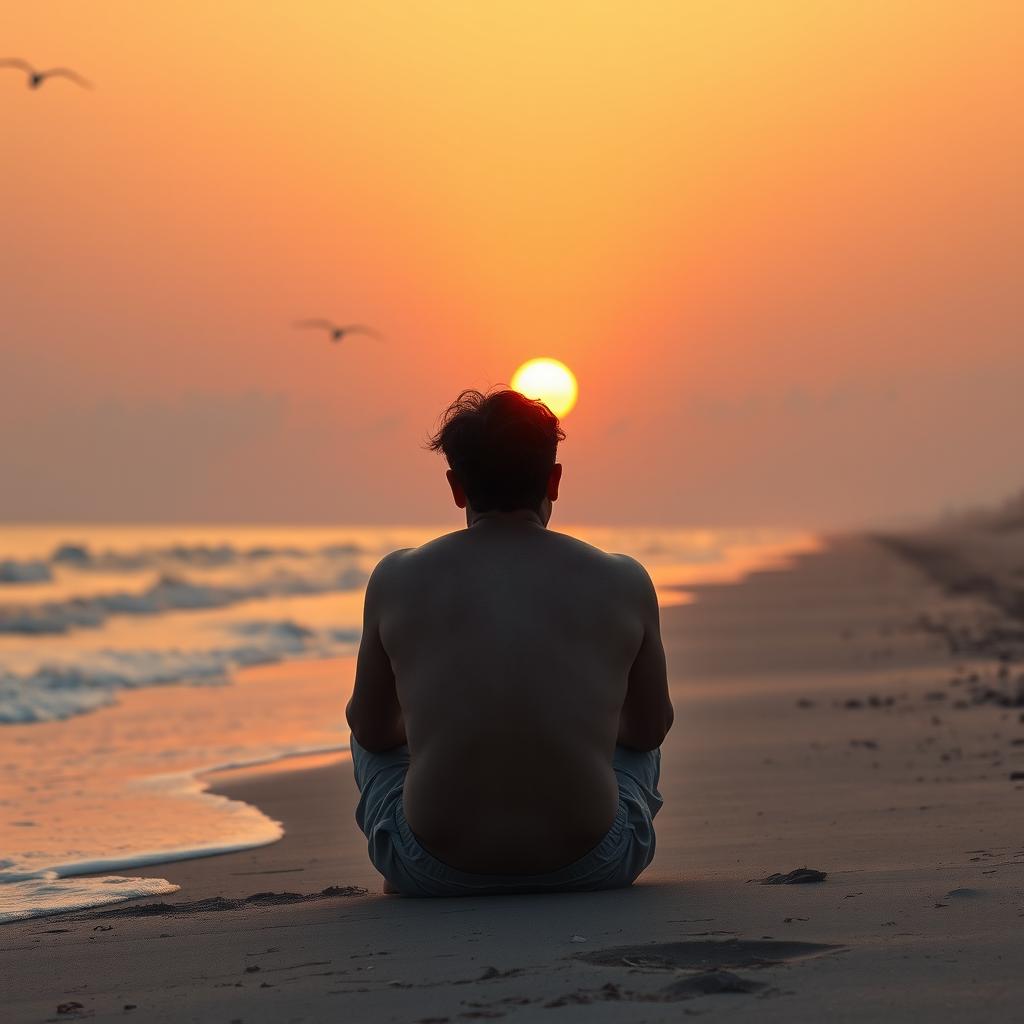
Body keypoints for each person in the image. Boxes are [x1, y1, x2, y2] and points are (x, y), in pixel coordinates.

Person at [346, 388, 672, 896]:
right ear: (554, 480)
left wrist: (443, 729)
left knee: (366, 734)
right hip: (593, 863)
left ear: (456, 487)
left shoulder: (396, 578)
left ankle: (427, 839)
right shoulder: (623, 579)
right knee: (634, 741)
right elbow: (649, 729)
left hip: (430, 867)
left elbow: (371, 729)